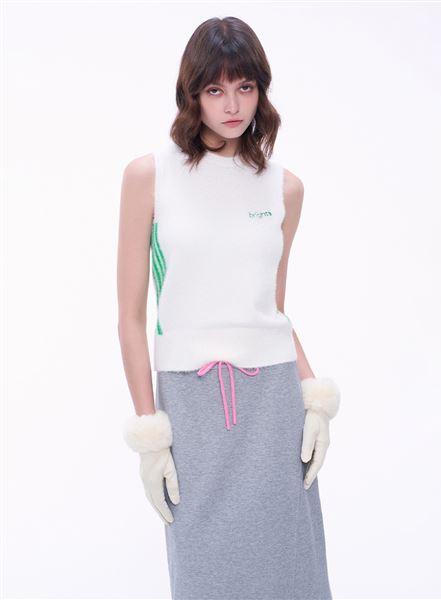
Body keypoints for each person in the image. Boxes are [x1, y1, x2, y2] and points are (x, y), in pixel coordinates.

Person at [117, 15, 341, 600]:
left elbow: (274, 308)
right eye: (215, 89)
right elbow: (130, 318)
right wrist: (151, 435)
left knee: (290, 569)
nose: (233, 104)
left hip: (274, 406)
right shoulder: (150, 176)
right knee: (204, 574)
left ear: (262, 90)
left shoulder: (284, 188)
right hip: (190, 403)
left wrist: (314, 400)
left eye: (246, 86)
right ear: (192, 94)